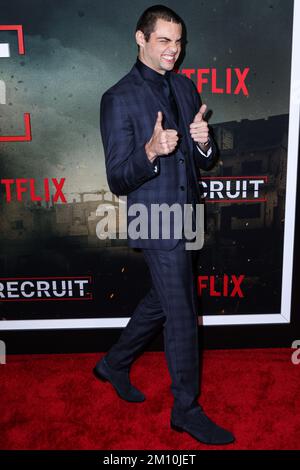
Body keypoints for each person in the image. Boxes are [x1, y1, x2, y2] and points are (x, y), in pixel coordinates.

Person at [95, 5, 235, 445]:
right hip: (155, 219)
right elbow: (118, 177)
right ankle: (186, 410)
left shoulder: (186, 87)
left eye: (178, 42)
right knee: (181, 314)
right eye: (164, 41)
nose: (174, 50)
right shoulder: (118, 98)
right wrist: (151, 151)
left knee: (165, 297)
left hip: (188, 215)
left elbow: (204, 163)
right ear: (141, 39)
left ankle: (114, 363)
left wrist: (204, 144)